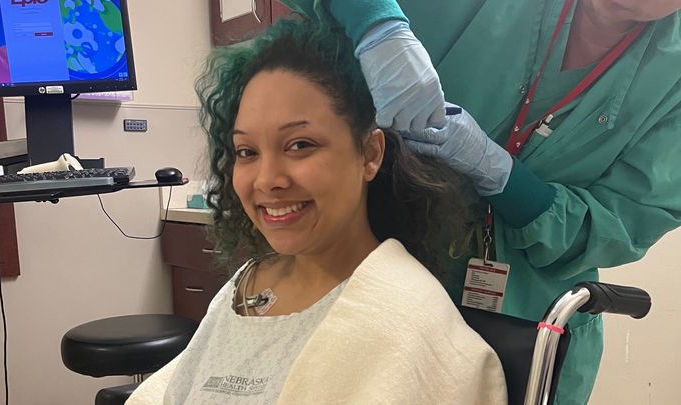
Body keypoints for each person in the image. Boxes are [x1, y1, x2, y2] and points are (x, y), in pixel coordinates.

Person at [282, 0, 681, 403]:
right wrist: (376, 24)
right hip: (373, 282)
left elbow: (617, 225)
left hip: (525, 329)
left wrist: (503, 177)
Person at [126, 17, 507, 405]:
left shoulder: (405, 319)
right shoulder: (248, 284)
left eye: (300, 145)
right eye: (247, 151)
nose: (267, 179)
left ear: (369, 154)